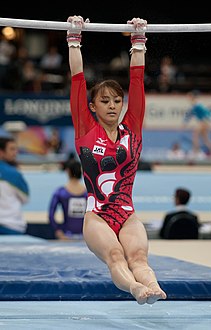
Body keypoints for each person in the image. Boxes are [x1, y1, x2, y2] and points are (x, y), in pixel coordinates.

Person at [67, 15, 166, 305]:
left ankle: (152, 287)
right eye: (105, 101)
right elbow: (77, 80)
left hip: (127, 212)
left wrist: (139, 41)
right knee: (115, 256)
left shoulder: (132, 128)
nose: (112, 105)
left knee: (138, 257)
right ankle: (136, 290)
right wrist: (74, 39)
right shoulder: (86, 129)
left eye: (117, 100)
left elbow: (137, 83)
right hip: (97, 215)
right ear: (92, 106)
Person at [48, 158, 87, 240]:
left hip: (66, 235)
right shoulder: (88, 193)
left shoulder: (61, 192)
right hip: (85, 236)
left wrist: (58, 231)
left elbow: (51, 214)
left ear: (68, 171)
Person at [0, 136, 29, 234]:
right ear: (1, 152)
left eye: (16, 149)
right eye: (12, 149)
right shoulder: (14, 174)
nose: (15, 152)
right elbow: (25, 198)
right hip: (11, 226)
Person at [183, 90, 211, 157]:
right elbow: (190, 114)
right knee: (205, 139)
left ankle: (196, 152)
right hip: (204, 122)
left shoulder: (197, 104)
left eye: (188, 97)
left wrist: (208, 119)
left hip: (203, 122)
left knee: (195, 135)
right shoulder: (195, 104)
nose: (188, 98)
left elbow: (206, 112)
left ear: (192, 97)